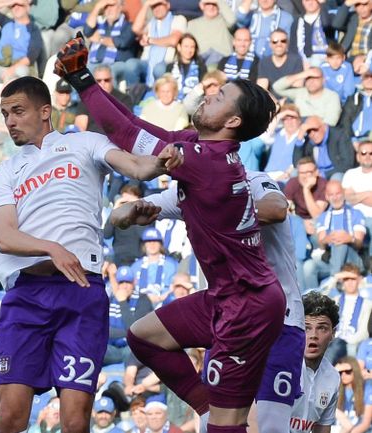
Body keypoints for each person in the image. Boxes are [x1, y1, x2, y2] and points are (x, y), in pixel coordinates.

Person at [56, 36, 283, 433]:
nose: (209, 96)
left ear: (233, 122)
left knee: (228, 427)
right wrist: (84, 81)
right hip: (227, 295)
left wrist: (81, 79)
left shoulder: (207, 164)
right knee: (144, 336)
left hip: (247, 307)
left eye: (220, 96)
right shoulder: (200, 149)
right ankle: (206, 407)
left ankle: (216, 416)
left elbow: (124, 134)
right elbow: (137, 126)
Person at [0, 74, 179, 433]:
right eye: (5, 113)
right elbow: (4, 236)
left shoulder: (85, 143)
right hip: (27, 295)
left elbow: (137, 166)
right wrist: (51, 248)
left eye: (17, 111)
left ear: (45, 112)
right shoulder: (4, 173)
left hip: (81, 293)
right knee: (10, 417)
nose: (10, 121)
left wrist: (161, 161)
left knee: (75, 420)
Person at [113, 170, 305, 432]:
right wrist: (130, 212)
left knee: (271, 427)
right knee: (142, 336)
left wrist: (211, 211)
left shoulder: (254, 180)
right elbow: (119, 215)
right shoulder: (187, 191)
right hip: (223, 311)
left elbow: (277, 209)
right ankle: (205, 406)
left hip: (280, 316)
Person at [289, 292, 340, 432]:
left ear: (333, 333)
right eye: (306, 328)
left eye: (322, 328)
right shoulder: (281, 367)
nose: (313, 336)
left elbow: (322, 428)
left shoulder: (333, 377)